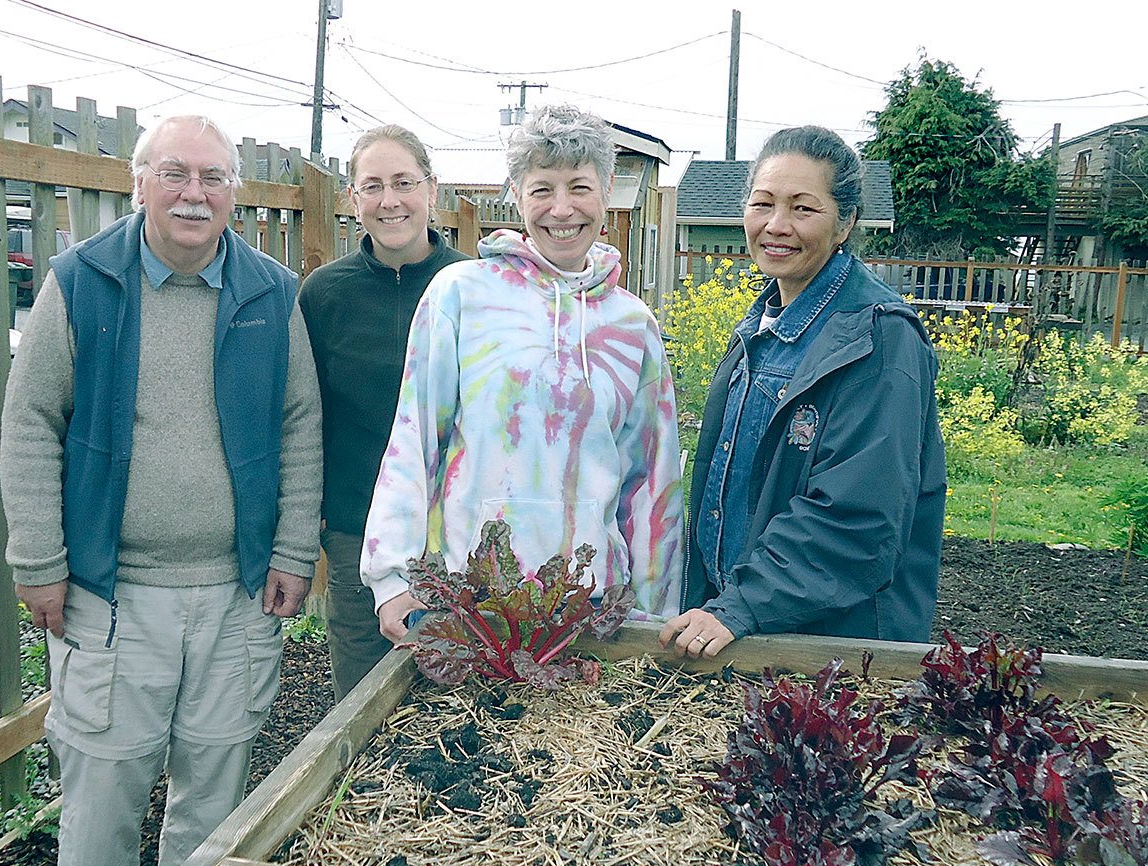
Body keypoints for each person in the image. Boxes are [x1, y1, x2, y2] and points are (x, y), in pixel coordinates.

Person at [0, 114, 322, 866]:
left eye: (214, 178)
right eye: (175, 173)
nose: (194, 193)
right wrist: (37, 558)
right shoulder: (82, 282)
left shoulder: (268, 292)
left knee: (215, 789)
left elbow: (299, 425)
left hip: (236, 592)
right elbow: (31, 421)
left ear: (233, 197)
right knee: (103, 788)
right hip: (109, 596)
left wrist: (292, 550)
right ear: (137, 182)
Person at [361, 104, 683, 640]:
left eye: (579, 187)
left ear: (607, 190)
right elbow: (414, 441)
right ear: (516, 193)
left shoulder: (632, 326)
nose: (562, 210)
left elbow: (652, 483)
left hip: (592, 610)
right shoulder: (462, 296)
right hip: (471, 603)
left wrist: (655, 615)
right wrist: (393, 577)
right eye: (542, 190)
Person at [660, 125, 946, 660]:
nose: (776, 225)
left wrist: (741, 604)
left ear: (845, 224)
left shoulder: (878, 340)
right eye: (762, 203)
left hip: (835, 654)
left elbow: (859, 518)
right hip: (753, 634)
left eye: (803, 209)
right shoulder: (763, 329)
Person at [299, 125, 469, 700]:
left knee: (463, 699)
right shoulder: (324, 294)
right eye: (372, 186)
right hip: (358, 533)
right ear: (353, 198)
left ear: (432, 190)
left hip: (459, 533)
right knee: (364, 701)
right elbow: (305, 418)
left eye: (404, 182)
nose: (389, 200)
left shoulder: (471, 287)